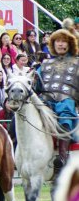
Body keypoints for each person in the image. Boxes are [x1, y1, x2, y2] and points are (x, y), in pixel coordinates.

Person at [37, 29, 79, 176]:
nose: (60, 44)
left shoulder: (77, 62)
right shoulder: (44, 63)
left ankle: (62, 157)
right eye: (57, 41)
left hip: (67, 100)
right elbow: (36, 86)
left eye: (64, 42)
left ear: (70, 44)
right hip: (45, 101)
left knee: (65, 107)